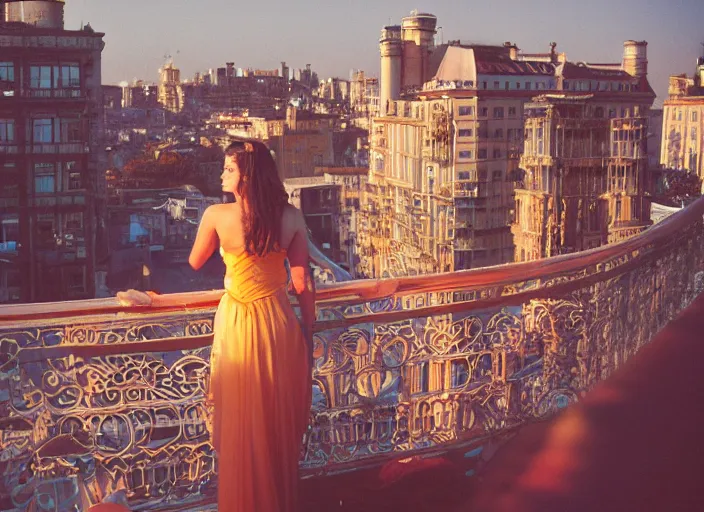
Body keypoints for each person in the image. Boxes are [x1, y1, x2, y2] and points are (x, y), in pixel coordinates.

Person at [188, 139, 315, 512]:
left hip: (238, 321)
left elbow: (195, 261)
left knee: (243, 420)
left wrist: (232, 253)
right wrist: (309, 332)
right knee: (273, 418)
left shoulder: (216, 215)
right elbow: (302, 282)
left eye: (228, 169)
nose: (221, 174)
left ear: (246, 176)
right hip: (277, 322)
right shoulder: (291, 217)